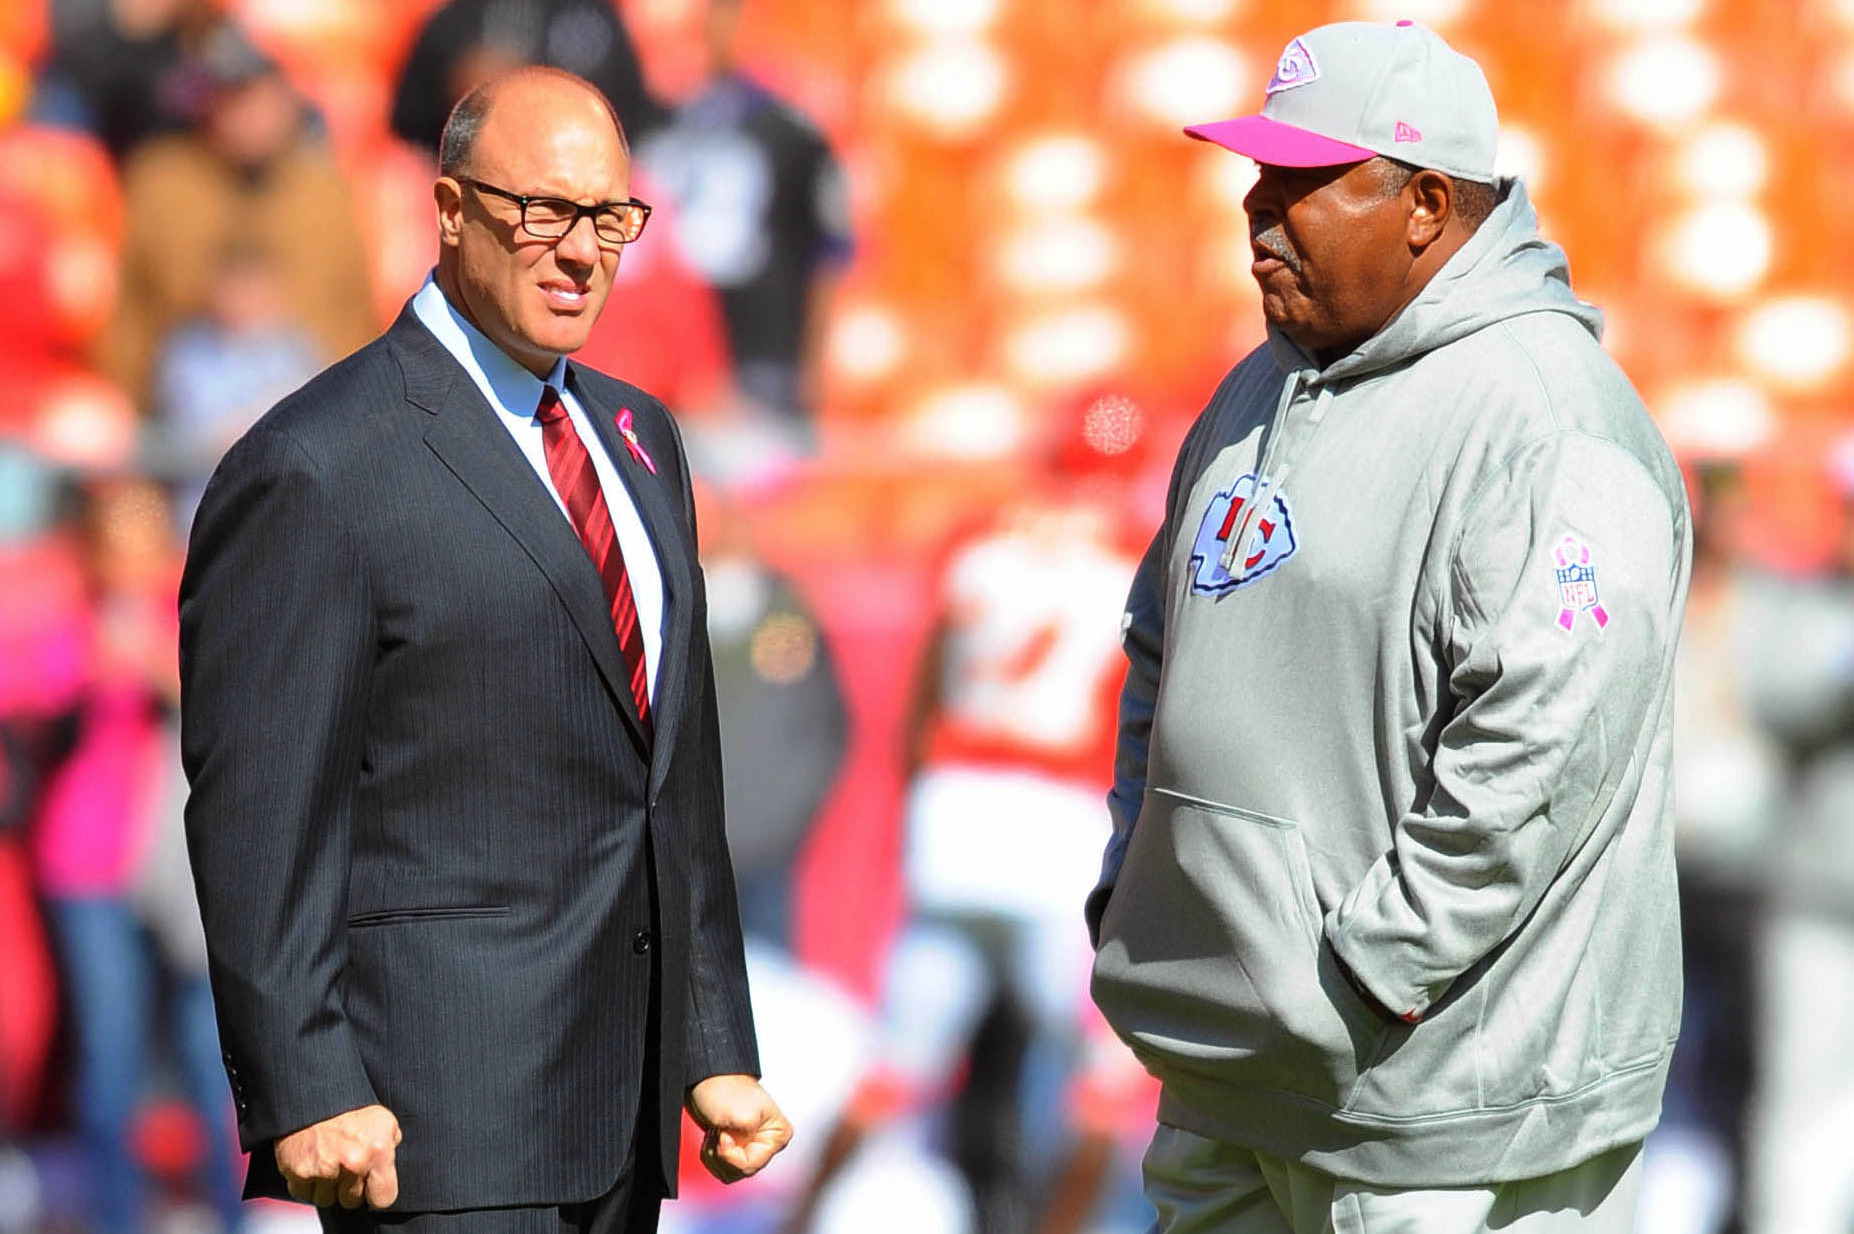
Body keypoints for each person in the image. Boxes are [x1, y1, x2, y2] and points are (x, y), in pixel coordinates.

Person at [1086, 21, 1690, 1234]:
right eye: (1257, 176)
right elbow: (1163, 649)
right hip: (1238, 1074)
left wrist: (1360, 974)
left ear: (1423, 203)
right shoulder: (1259, 385)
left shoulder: (1547, 421)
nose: (1258, 210)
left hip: (1445, 1114)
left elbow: (1542, 748)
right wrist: (1138, 891)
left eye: (1303, 182)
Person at [180, 67, 790, 1227]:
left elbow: (674, 779)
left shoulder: (640, 435)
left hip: (625, 1119)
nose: (581, 250)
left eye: (610, 217)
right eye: (543, 210)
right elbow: (258, 812)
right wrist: (307, 1083)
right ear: (451, 210)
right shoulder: (317, 465)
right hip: (432, 1126)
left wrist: (711, 1041)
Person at [97, 29, 374, 408]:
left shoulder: (329, 189)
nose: (240, 114)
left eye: (252, 94)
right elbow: (129, 316)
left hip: (314, 411)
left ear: (286, 95)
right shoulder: (162, 181)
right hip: (188, 415)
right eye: (224, 98)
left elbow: (355, 320)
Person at [637, 0, 851, 433]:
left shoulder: (793, 131)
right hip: (669, 357)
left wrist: (812, 364)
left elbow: (828, 252)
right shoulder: (659, 120)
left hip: (764, 354)